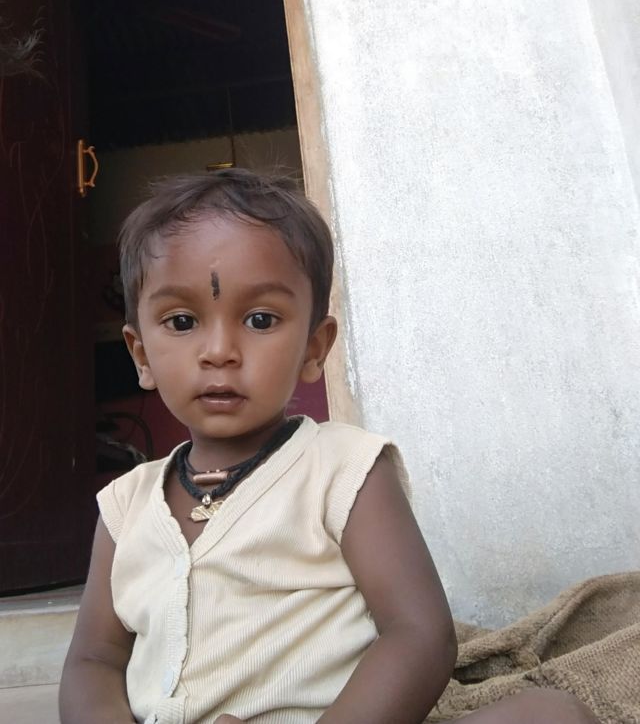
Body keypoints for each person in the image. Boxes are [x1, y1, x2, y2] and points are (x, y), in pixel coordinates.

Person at [59, 169, 598, 724]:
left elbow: (418, 633)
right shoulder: (125, 507)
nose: (219, 350)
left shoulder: (345, 470)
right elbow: (94, 660)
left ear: (315, 348)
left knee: (549, 716)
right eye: (182, 321)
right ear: (141, 354)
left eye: (260, 319)